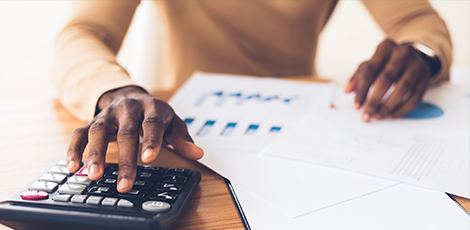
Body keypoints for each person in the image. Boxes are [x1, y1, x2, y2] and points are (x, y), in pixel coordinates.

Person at [52, 1, 452, 193]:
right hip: (177, 134)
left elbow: (419, 21)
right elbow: (82, 33)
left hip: (301, 135)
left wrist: (421, 54)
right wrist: (116, 90)